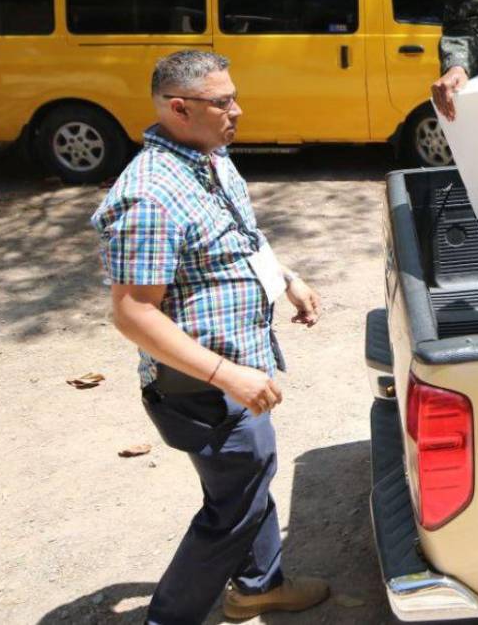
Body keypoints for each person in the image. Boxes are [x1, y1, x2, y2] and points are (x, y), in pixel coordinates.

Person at [90, 51, 329, 625]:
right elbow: (132, 313)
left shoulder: (210, 158)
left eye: (233, 96)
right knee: (232, 507)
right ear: (179, 109)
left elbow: (238, 238)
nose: (237, 110)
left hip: (238, 373)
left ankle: (258, 587)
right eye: (223, 102)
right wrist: (227, 375)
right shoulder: (149, 195)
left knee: (249, 475)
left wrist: (286, 278)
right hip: (202, 388)